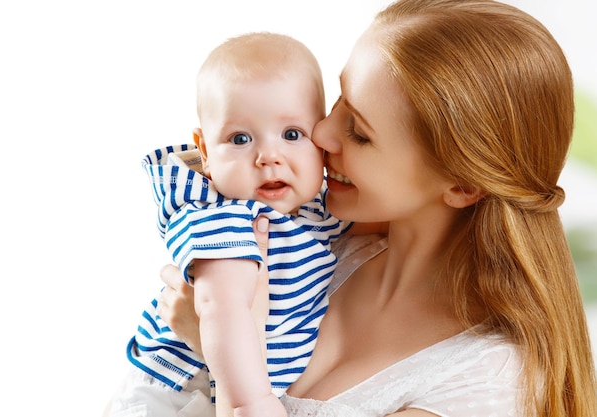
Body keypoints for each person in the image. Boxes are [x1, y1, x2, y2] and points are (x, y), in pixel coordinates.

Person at [157, 0, 597, 416]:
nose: (322, 134)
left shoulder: (485, 380)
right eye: (338, 99)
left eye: (360, 133)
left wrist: (216, 343)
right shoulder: (320, 236)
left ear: (462, 186)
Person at [105, 32, 352, 417]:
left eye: (292, 134)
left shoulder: (317, 207)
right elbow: (222, 309)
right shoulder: (226, 218)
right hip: (182, 393)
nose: (269, 156)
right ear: (204, 151)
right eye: (240, 138)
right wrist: (251, 403)